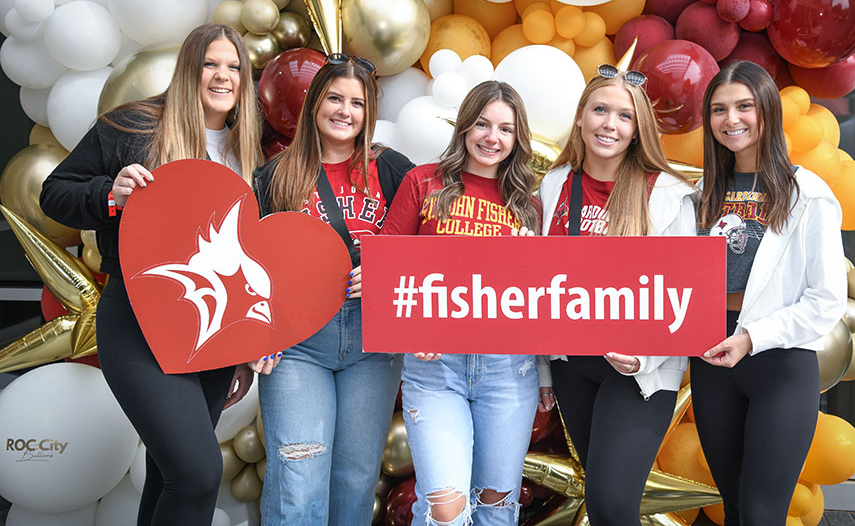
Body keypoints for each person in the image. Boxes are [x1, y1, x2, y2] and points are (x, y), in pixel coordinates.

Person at [39, 23, 264, 525]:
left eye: (234, 67)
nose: (222, 76)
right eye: (210, 64)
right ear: (189, 69)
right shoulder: (134, 127)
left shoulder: (251, 148)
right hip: (138, 322)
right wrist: (109, 195)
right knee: (199, 474)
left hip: (211, 332)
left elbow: (255, 253)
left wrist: (246, 346)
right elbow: (54, 194)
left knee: (170, 475)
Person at [253, 53, 415, 526]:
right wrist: (257, 333)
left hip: (373, 344)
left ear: (369, 113)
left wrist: (390, 270)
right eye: (334, 98)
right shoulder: (275, 176)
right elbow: (253, 265)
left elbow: (426, 241)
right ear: (313, 105)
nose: (345, 111)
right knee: (298, 478)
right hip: (298, 344)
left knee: (354, 480)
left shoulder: (393, 170)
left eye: (357, 103)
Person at [380, 80, 548, 526]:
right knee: (445, 510)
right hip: (437, 372)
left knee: (497, 511)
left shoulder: (528, 206)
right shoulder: (424, 182)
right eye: (482, 124)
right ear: (464, 127)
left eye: (505, 129)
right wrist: (412, 328)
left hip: (508, 372)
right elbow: (386, 268)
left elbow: (542, 299)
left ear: (517, 139)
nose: (492, 137)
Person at [537, 64, 697, 525]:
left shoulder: (666, 195)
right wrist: (545, 369)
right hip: (574, 366)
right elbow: (543, 284)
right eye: (600, 110)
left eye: (624, 116)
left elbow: (683, 295)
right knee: (603, 501)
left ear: (636, 130)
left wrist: (644, 356)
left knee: (611, 504)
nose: (610, 123)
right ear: (581, 118)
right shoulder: (555, 184)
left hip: (639, 371)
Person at [692, 60, 846, 525]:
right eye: (718, 109)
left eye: (744, 106)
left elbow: (826, 299)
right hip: (712, 360)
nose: (731, 119)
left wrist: (752, 337)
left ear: (768, 111)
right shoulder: (701, 192)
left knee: (762, 514)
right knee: (733, 508)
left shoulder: (808, 194)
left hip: (778, 364)